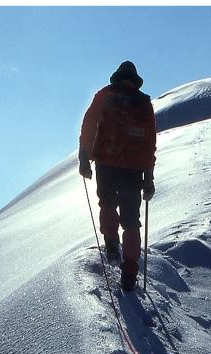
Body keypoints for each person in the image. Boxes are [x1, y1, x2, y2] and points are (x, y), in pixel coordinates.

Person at [79, 61, 156, 291]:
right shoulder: (143, 103)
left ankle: (111, 244)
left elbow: (89, 124)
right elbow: (150, 142)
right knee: (131, 220)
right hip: (133, 169)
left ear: (118, 76)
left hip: (106, 163)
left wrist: (84, 157)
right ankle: (130, 267)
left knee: (108, 204)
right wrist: (149, 178)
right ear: (135, 79)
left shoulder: (105, 94)